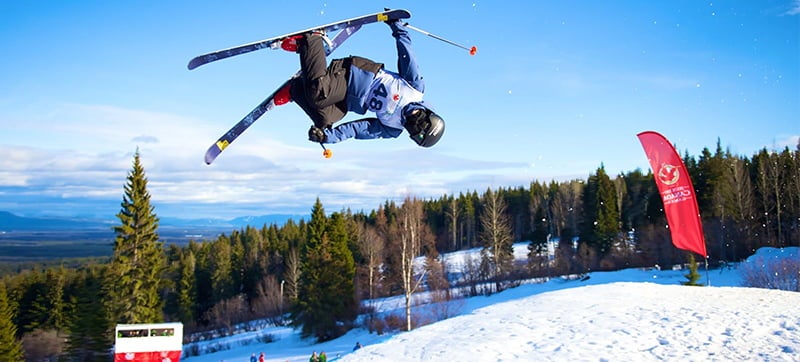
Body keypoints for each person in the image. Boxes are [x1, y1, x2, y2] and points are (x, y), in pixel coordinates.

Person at [274, 20, 445, 148]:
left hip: (348, 99)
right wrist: (397, 27)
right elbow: (407, 56)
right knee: (319, 94)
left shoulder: (392, 128)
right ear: (428, 116)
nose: (413, 126)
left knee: (325, 120)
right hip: (354, 74)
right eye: (420, 125)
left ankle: (295, 89)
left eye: (415, 134)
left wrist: (327, 137)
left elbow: (359, 129)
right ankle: (311, 40)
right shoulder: (414, 88)